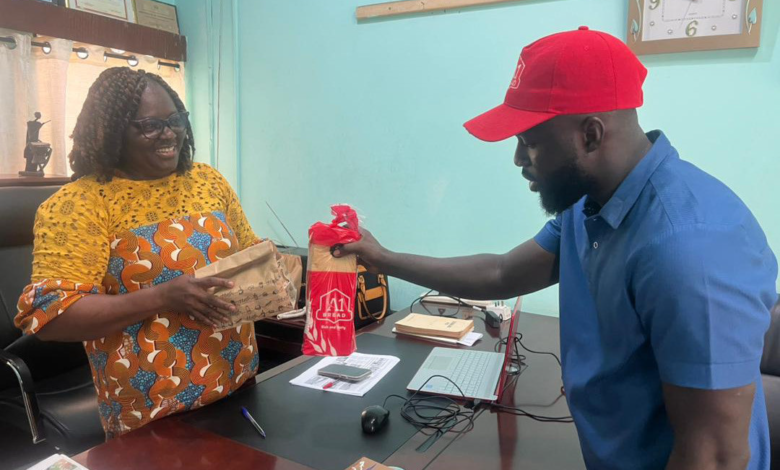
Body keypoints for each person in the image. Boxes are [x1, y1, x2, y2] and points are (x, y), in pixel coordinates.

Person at [333, 28, 778, 470]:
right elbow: (503, 274)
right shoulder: (593, 203)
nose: (518, 159)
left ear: (591, 134)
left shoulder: (687, 249)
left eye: (529, 142)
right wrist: (381, 257)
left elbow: (716, 457)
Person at [15, 67, 263, 438]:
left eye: (176, 120)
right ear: (112, 131)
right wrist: (163, 296)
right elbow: (53, 316)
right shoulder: (80, 205)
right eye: (150, 125)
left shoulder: (208, 181)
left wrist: (287, 265)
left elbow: (249, 252)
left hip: (238, 384)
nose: (170, 133)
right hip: (153, 411)